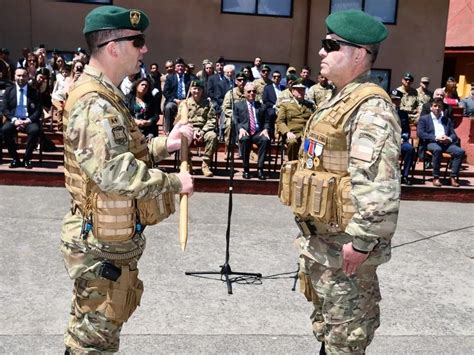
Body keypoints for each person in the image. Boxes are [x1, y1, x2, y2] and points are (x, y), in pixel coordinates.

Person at [60, 6, 194, 353]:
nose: (144, 49)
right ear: (113, 47)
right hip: (98, 244)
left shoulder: (106, 96)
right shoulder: (94, 103)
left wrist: (168, 144)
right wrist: (175, 184)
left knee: (92, 333)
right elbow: (113, 173)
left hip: (107, 238)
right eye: (138, 41)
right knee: (93, 341)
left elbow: (127, 153)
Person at [278, 10, 401, 354]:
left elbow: (379, 187)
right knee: (329, 334)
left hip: (346, 254)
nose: (321, 52)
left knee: (345, 342)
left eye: (331, 45)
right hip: (323, 247)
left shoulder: (370, 108)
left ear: (359, 54)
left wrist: (361, 244)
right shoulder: (335, 99)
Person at [417, 98, 465, 187]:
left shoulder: (446, 120)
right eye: (435, 106)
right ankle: (436, 177)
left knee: (460, 151)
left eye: (439, 106)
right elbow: (420, 133)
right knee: (437, 149)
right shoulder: (424, 119)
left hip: (446, 143)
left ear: (442, 108)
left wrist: (449, 139)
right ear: (431, 107)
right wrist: (436, 137)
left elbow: (453, 134)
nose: (437, 108)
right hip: (431, 143)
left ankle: (453, 177)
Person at [2, 67, 42, 168]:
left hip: (29, 120)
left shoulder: (34, 92)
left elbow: (38, 110)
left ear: (28, 77)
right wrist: (14, 120)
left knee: (35, 130)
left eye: (24, 76)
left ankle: (27, 159)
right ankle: (15, 159)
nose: (21, 78)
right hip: (14, 119)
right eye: (19, 75)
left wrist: (28, 121)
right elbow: (5, 109)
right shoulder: (8, 91)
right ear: (14, 76)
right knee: (5, 130)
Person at [178, 79, 218, 177]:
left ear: (202, 91)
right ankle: (187, 163)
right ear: (191, 89)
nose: (196, 91)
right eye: (194, 89)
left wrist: (203, 131)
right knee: (183, 136)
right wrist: (193, 130)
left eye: (199, 89)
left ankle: (205, 164)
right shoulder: (185, 103)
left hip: (204, 129)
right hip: (189, 129)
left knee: (212, 136)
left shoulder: (208, 103)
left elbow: (212, 119)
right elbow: (181, 120)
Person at [234, 82, 270, 180]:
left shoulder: (261, 106)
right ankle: (246, 169)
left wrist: (266, 129)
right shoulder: (238, 105)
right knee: (245, 139)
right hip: (244, 131)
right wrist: (240, 128)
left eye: (254, 91)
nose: (251, 93)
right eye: (249, 91)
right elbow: (235, 120)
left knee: (265, 139)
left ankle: (260, 169)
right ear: (244, 93)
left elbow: (267, 120)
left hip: (257, 133)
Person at [276, 78, 315, 160]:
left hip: (306, 134)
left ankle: (306, 166)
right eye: (298, 90)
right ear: (293, 91)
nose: (301, 92)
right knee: (292, 142)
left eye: (302, 90)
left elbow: (314, 120)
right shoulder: (285, 104)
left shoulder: (310, 105)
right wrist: (287, 132)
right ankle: (292, 164)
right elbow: (280, 121)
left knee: (312, 144)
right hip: (292, 134)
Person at [390, 89, 415, 185]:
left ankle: (405, 175)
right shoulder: (384, 113)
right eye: (393, 100)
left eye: (397, 100)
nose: (395, 102)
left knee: (410, 149)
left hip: (400, 141)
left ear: (400, 101)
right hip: (387, 141)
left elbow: (406, 131)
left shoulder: (403, 114)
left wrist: (403, 138)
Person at [163, 57, 191, 134]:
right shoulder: (170, 78)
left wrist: (187, 100)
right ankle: (168, 131)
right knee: (169, 107)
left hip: (186, 101)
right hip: (174, 101)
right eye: (178, 66)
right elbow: (166, 92)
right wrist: (174, 100)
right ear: (175, 68)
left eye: (182, 66)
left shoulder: (190, 78)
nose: (180, 68)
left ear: (184, 68)